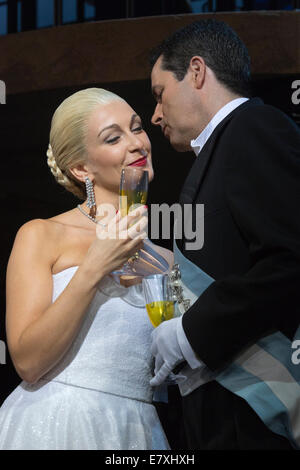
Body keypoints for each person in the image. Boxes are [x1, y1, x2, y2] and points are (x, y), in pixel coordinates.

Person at [149, 19, 300, 450]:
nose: (156, 114)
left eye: (159, 94)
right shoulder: (223, 147)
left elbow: (290, 258)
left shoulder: (255, 127)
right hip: (221, 411)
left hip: (256, 411)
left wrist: (190, 332)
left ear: (196, 72)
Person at [0, 88, 171, 450]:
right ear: (81, 169)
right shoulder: (42, 235)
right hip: (59, 424)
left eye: (137, 128)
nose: (137, 143)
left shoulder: (167, 259)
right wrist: (93, 268)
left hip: (138, 431)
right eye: (113, 137)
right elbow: (28, 362)